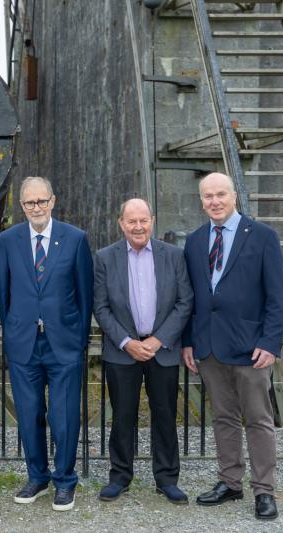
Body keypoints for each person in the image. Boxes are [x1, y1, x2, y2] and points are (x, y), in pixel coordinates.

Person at [182, 172, 283, 521]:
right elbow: (191, 299)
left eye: (220, 194)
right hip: (209, 347)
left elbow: (278, 296)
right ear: (201, 201)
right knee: (223, 418)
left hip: (250, 349)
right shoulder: (195, 241)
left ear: (234, 197)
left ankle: (264, 489)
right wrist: (188, 342)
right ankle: (230, 482)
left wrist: (270, 342)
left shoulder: (262, 236)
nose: (215, 201)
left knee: (258, 419)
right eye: (208, 196)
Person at [0, 176, 93, 511]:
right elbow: (4, 293)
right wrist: (12, 333)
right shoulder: (8, 240)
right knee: (28, 414)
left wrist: (78, 339)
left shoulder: (75, 238)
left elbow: (85, 294)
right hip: (24, 343)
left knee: (64, 416)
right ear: (22, 206)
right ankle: (36, 477)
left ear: (52, 201)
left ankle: (65, 480)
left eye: (41, 201)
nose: (36, 207)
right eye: (29, 202)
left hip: (63, 344)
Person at [93, 198, 193, 504]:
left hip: (162, 349)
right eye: (132, 221)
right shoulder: (104, 257)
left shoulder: (174, 255)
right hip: (122, 351)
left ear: (152, 221)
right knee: (123, 416)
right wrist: (127, 342)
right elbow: (101, 306)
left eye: (143, 220)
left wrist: (158, 339)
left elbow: (185, 301)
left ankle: (167, 479)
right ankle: (120, 477)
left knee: (165, 415)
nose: (138, 226)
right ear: (121, 223)